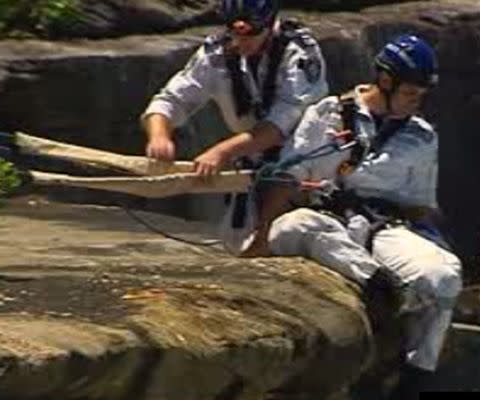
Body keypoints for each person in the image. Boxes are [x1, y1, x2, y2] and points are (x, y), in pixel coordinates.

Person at [246, 34, 462, 398]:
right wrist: (260, 237)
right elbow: (286, 177)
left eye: (422, 96)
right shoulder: (328, 113)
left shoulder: (422, 137)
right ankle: (379, 286)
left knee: (443, 276)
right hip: (321, 221)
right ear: (386, 81)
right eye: (411, 92)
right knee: (300, 225)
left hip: (379, 227)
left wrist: (432, 246)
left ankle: (416, 377)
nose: (417, 102)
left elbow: (421, 206)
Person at [141, 0, 328, 253]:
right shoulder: (217, 52)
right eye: (235, 34)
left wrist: (222, 152)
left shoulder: (299, 52)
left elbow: (280, 125)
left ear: (269, 24)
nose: (241, 43)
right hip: (249, 163)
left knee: (282, 237)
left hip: (301, 162)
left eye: (251, 34)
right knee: (236, 245)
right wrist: (160, 136)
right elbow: (172, 99)